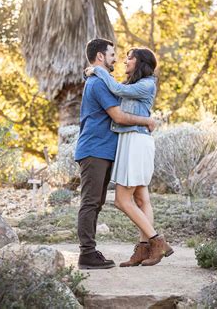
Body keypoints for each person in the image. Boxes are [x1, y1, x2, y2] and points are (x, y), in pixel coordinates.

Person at [84, 47, 173, 267]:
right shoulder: (132, 85)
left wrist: (96, 70)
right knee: (142, 199)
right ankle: (143, 251)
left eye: (129, 58)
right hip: (130, 141)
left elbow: (113, 88)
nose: (125, 61)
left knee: (122, 200)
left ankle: (156, 241)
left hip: (136, 140)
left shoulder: (147, 84)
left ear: (141, 62)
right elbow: (115, 92)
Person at [75, 38, 156, 270]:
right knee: (91, 202)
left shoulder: (102, 80)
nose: (116, 59)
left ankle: (95, 252)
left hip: (103, 150)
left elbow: (122, 92)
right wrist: (147, 121)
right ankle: (87, 254)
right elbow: (119, 117)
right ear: (100, 56)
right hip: (95, 150)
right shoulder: (99, 82)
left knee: (96, 202)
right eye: (112, 54)